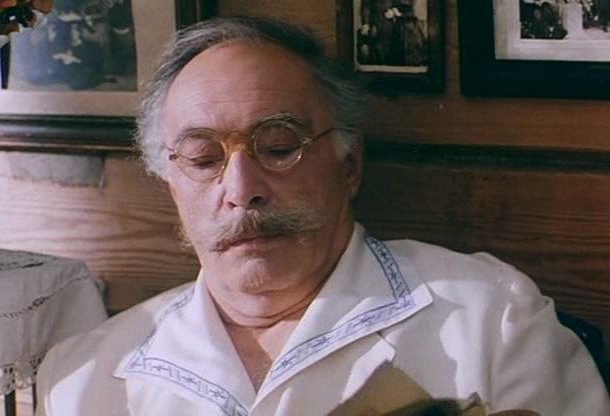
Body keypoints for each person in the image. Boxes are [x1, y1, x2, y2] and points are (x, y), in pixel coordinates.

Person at [35, 16, 610, 415]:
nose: (241, 190)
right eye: (204, 159)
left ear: (349, 165)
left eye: (278, 147)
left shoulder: (492, 320)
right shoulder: (85, 376)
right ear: (170, 185)